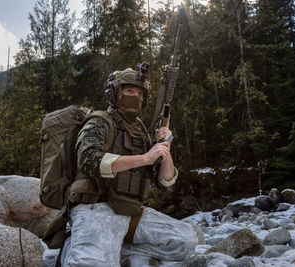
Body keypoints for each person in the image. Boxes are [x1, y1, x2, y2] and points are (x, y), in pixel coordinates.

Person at [60, 67, 201, 266]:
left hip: (131, 211)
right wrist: (145, 157)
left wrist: (164, 147)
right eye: (129, 91)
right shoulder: (99, 122)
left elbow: (165, 183)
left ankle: (119, 250)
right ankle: (73, 245)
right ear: (114, 94)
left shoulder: (141, 133)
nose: (136, 96)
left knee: (186, 242)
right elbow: (88, 160)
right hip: (96, 207)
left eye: (140, 93)